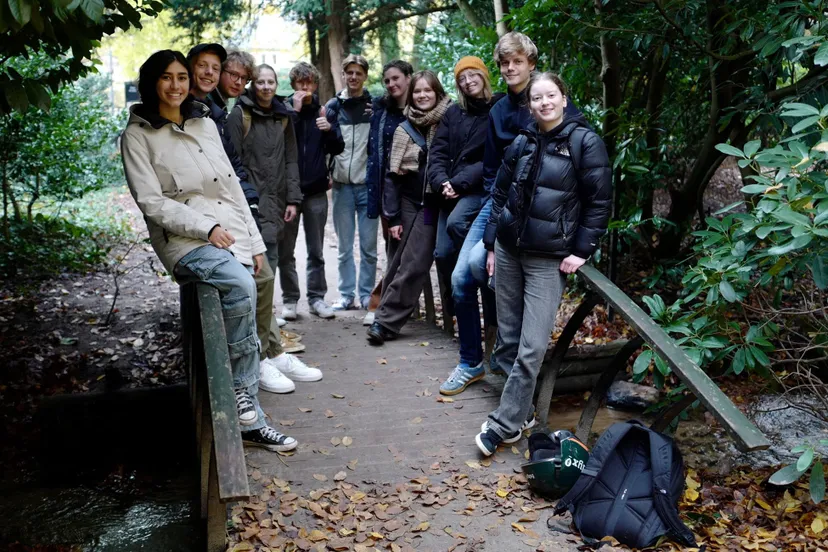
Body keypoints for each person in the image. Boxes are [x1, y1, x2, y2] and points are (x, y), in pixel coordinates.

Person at [120, 49, 296, 452]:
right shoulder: (137, 135)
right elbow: (151, 202)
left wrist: (252, 243)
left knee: (252, 280)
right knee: (238, 285)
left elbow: (231, 186)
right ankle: (243, 399)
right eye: (167, 77)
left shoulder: (204, 123)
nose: (176, 85)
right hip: (182, 240)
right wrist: (206, 227)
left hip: (228, 232)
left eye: (182, 77)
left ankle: (247, 408)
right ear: (152, 82)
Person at [475, 72, 611, 456]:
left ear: (564, 98)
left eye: (551, 95)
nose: (544, 102)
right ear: (530, 104)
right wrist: (490, 245)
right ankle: (524, 414)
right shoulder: (522, 141)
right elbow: (499, 194)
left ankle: (503, 425)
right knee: (509, 339)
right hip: (507, 251)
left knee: (532, 347)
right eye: (537, 98)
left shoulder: (585, 143)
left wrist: (582, 250)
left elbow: (599, 202)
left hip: (547, 259)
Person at [187, 46, 310, 394]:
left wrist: (266, 200)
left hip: (244, 204)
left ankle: (270, 351)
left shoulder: (217, 108)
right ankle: (261, 357)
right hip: (214, 214)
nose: (237, 81)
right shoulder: (221, 112)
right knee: (256, 277)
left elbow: (237, 166)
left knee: (264, 274)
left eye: (243, 77)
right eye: (234, 75)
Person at [227, 64, 323, 387]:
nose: (266, 87)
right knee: (263, 277)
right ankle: (268, 352)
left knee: (271, 273)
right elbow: (233, 166)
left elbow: (291, 159)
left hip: (281, 203)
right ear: (253, 85)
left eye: (271, 81)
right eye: (261, 82)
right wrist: (247, 205)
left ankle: (273, 351)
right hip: (253, 207)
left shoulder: (284, 116)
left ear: (276, 83)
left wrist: (294, 199)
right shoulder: (240, 115)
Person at [427, 56, 501, 396]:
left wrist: (459, 182)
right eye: (462, 77)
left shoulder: (496, 110)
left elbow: (492, 160)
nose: (467, 81)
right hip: (447, 191)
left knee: (458, 229)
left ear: (484, 77)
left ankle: (482, 294)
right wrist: (443, 180)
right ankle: (470, 357)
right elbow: (437, 151)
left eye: (473, 75)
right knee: (444, 254)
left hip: (477, 190)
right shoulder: (453, 113)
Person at [366, 70, 452, 345]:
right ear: (411, 96)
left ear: (437, 93)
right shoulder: (404, 128)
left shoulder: (450, 122)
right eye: (417, 92)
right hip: (406, 202)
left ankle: (386, 323)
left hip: (432, 205)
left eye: (428, 90)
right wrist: (391, 217)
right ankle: (381, 313)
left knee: (415, 262)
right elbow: (392, 176)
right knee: (397, 261)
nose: (423, 95)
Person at [282, 62, 345, 319]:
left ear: (315, 85)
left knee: (316, 250)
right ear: (293, 84)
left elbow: (338, 147)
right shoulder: (284, 109)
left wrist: (329, 130)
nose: (304, 87)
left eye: (309, 82)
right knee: (286, 252)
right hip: (289, 193)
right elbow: (280, 144)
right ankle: (289, 301)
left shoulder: (324, 110)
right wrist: (294, 113)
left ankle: (317, 299)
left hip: (317, 191)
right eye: (300, 82)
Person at [363, 59, 414, 325]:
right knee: (393, 247)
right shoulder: (381, 111)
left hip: (416, 192)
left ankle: (384, 302)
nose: (392, 84)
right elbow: (375, 155)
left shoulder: (420, 106)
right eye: (387, 80)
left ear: (408, 77)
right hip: (387, 190)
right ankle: (386, 304)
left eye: (396, 78)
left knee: (410, 250)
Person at [325, 55, 376, 313]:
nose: (354, 77)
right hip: (342, 187)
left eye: (358, 72)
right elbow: (325, 144)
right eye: (349, 73)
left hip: (368, 187)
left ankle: (366, 295)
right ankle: (346, 295)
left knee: (368, 247)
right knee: (344, 247)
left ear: (365, 75)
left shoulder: (373, 106)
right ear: (343, 75)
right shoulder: (333, 106)